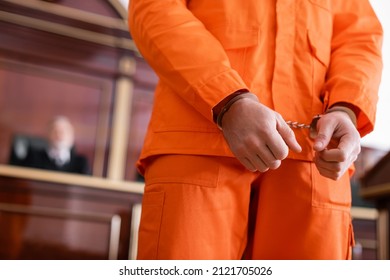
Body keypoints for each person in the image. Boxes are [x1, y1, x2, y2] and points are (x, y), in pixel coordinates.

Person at [128, 0, 383, 259]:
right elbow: (155, 8)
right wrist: (228, 100)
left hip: (314, 155)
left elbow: (359, 38)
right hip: (198, 143)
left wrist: (345, 110)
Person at [9, 116, 90, 175]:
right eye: (55, 130)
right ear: (47, 134)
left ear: (72, 136)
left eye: (64, 131)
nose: (59, 134)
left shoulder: (81, 163)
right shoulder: (33, 157)